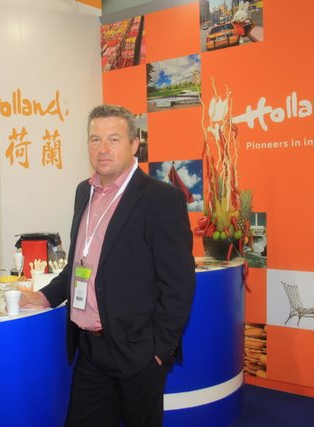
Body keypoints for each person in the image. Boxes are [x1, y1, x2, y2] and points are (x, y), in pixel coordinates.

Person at [20, 104, 195, 426]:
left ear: (134, 144)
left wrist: (158, 350)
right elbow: (78, 264)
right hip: (89, 348)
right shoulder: (83, 192)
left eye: (113, 139)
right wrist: (44, 296)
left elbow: (179, 283)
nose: (102, 148)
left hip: (138, 351)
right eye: (95, 139)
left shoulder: (161, 198)